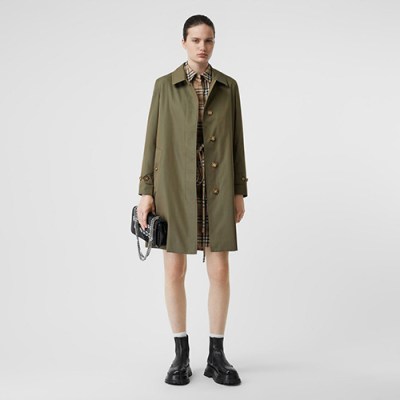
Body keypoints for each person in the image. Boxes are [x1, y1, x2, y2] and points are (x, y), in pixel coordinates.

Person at [137, 14, 248, 386]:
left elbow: (237, 142)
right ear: (183, 42)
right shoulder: (164, 86)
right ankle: (180, 355)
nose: (203, 46)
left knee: (220, 272)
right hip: (173, 188)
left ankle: (217, 355)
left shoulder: (228, 87)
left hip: (217, 188)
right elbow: (152, 140)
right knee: (174, 271)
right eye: (196, 40)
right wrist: (146, 191)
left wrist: (239, 190)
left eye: (209, 40)